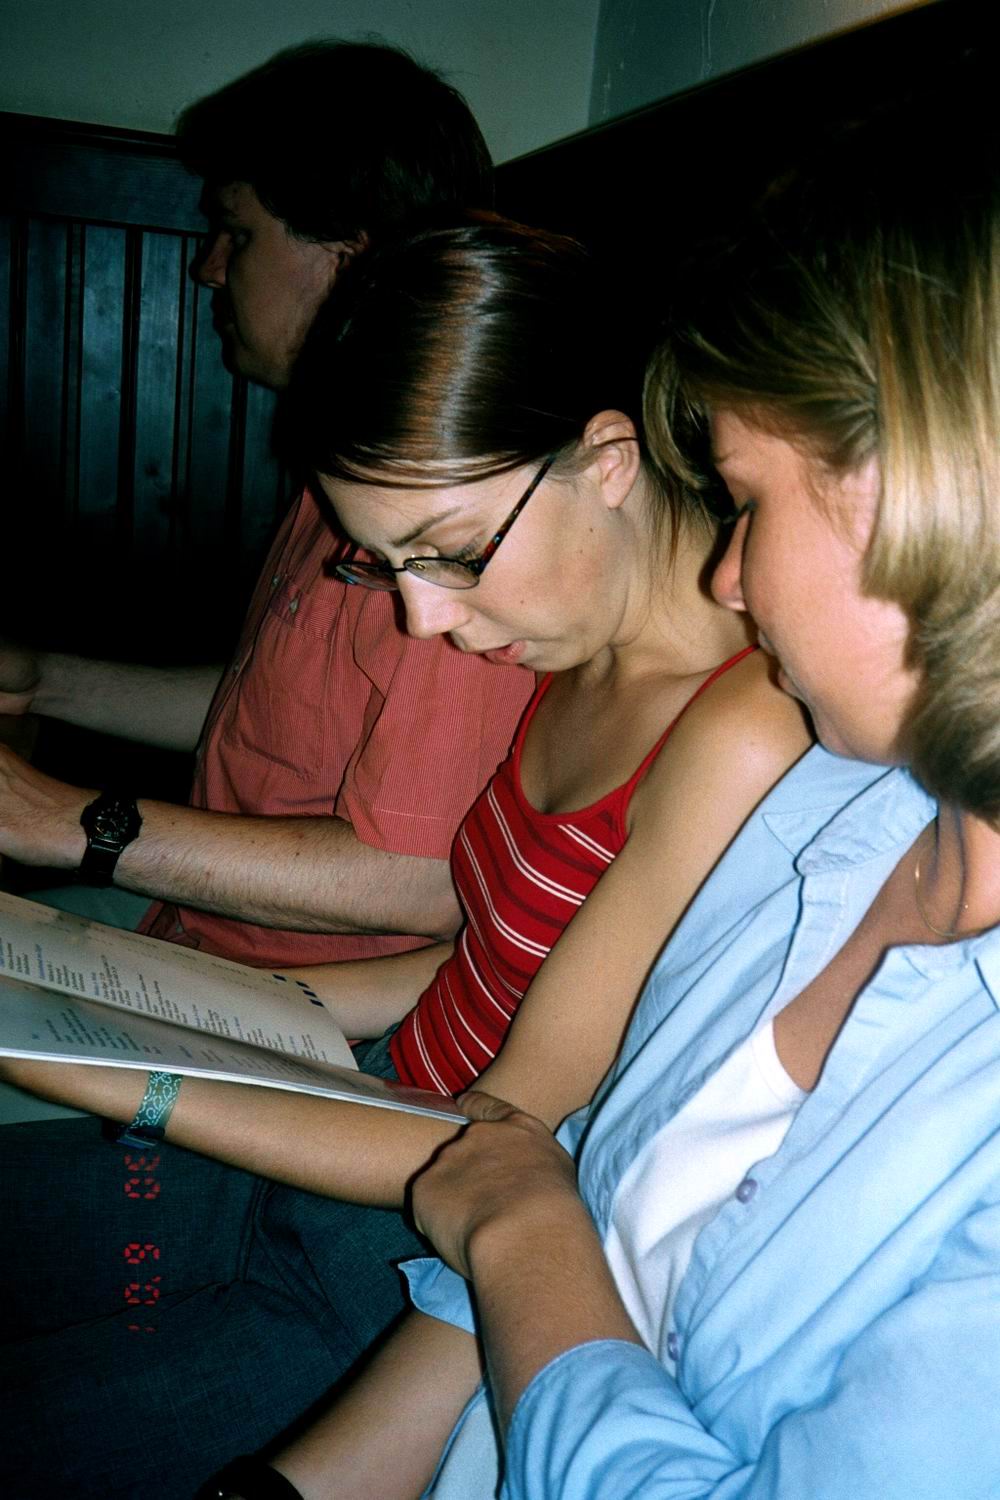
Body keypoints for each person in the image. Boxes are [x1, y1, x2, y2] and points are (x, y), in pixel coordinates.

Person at [217, 90, 1000, 1500]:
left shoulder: (762, 740)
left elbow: (520, 1184)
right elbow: (567, 1160)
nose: (725, 577)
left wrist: (144, 1065)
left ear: (935, 500)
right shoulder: (841, 810)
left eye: (746, 502)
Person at [0, 219, 810, 1498]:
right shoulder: (573, 648)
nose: (422, 616)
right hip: (351, 1108)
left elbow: (506, 1134)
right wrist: (168, 1004)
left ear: (607, 460)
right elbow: (483, 960)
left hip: (398, 1263)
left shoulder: (740, 726)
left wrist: (113, 1069)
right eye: (381, 565)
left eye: (450, 549)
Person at [0, 41, 533, 985]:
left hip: (297, 998)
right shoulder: (346, 469)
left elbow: (419, 879)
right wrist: (44, 682)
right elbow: (272, 717)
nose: (209, 270)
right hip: (195, 927)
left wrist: (62, 820)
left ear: (349, 256)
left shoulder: (441, 515)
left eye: (238, 235)